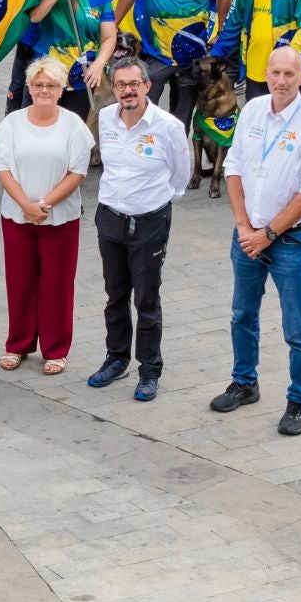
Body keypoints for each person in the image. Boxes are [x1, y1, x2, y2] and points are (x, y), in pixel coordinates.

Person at [211, 45, 301, 434]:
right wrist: (243, 225)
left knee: (297, 325)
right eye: (275, 73)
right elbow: (232, 167)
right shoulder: (251, 110)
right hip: (247, 233)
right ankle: (244, 382)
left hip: (289, 242)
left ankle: (299, 401)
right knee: (241, 314)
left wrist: (267, 235)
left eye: (289, 74)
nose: (281, 81)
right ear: (265, 73)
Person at [85, 57, 189, 400]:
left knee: (147, 299)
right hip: (110, 217)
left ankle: (149, 370)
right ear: (113, 88)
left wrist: (155, 200)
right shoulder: (106, 118)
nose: (127, 91)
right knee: (115, 296)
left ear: (147, 86)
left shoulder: (168, 126)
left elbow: (180, 175)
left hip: (149, 222)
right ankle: (116, 359)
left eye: (134, 84)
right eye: (120, 85)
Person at [0, 55, 93, 374]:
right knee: (20, 282)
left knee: (57, 285)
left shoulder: (73, 125)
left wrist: (44, 204)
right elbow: (4, 169)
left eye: (51, 85)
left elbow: (77, 171)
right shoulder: (12, 124)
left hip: (61, 218)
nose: (44, 90)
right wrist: (25, 204)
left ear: (62, 88)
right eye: (38, 85)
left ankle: (55, 349)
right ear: (30, 86)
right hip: (16, 216)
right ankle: (18, 344)